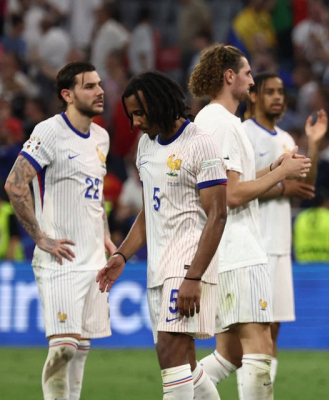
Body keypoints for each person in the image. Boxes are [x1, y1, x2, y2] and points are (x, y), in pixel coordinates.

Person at [96, 71, 227, 400]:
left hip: (186, 267)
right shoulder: (145, 147)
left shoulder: (200, 143)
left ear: (158, 104)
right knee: (186, 366)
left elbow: (218, 214)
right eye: (131, 115)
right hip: (159, 268)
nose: (136, 122)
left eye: (139, 112)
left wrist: (194, 277)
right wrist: (121, 255)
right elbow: (148, 214)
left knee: (169, 358)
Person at [189, 44, 310, 399]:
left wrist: (272, 169)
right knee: (260, 345)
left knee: (231, 353)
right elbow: (230, 195)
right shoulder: (225, 124)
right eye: (247, 73)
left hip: (223, 249)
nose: (251, 80)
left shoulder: (209, 121)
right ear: (230, 77)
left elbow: (228, 182)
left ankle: (180, 392)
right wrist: (282, 175)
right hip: (238, 248)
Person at [4, 61, 113, 400]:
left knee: (79, 352)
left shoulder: (101, 137)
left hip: (94, 259)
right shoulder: (48, 131)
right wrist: (40, 237)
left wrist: (106, 235)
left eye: (99, 84)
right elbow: (15, 183)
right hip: (61, 258)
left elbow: (93, 194)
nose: (100, 91)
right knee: (64, 349)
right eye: (89, 86)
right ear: (67, 94)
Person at [243, 72, 326, 384]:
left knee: (273, 329)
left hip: (278, 243)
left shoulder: (286, 139)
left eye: (281, 92)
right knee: (249, 335)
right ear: (253, 96)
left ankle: (263, 391)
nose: (278, 97)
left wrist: (313, 144)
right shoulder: (243, 135)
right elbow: (237, 190)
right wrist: (282, 188)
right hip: (252, 243)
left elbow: (306, 185)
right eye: (270, 92)